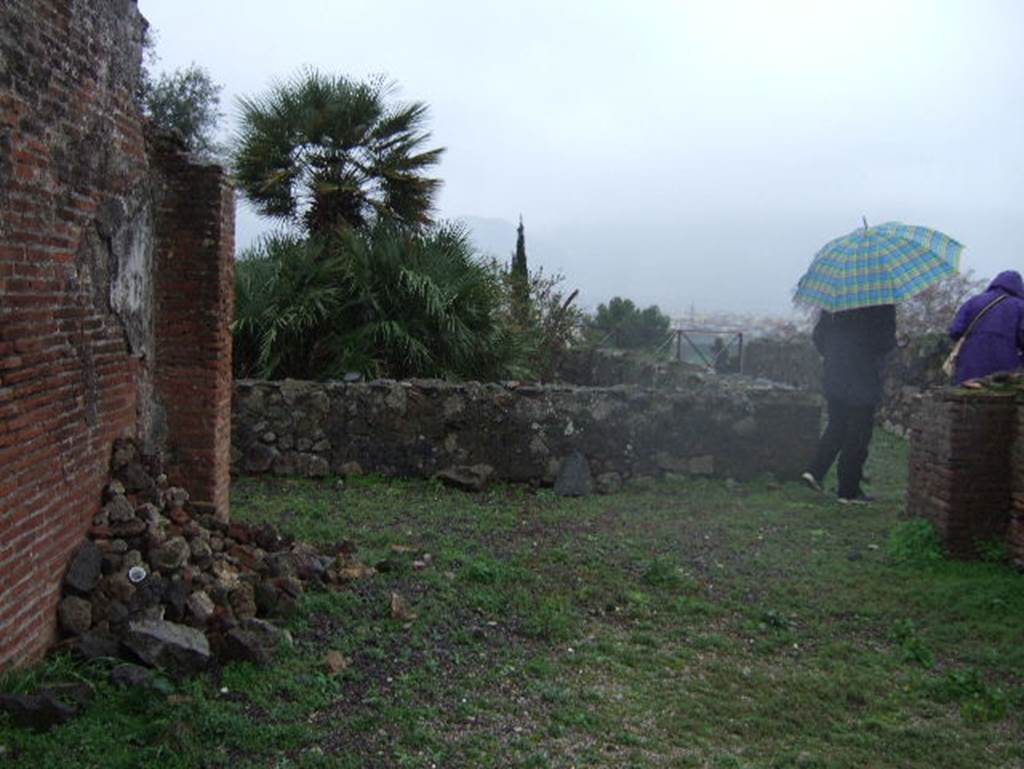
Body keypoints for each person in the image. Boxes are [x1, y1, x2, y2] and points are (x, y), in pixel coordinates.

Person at [801, 304, 896, 504]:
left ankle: (815, 471)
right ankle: (848, 490)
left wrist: (834, 354)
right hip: (863, 374)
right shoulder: (880, 303)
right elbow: (884, 342)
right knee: (858, 434)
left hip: (835, 372)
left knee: (837, 425)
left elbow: (818, 336)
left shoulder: (837, 300)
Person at [948, 270, 1024, 385]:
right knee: (999, 393)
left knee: (967, 392)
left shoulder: (973, 301)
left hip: (969, 365)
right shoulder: (1020, 306)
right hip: (1006, 366)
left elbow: (955, 330)